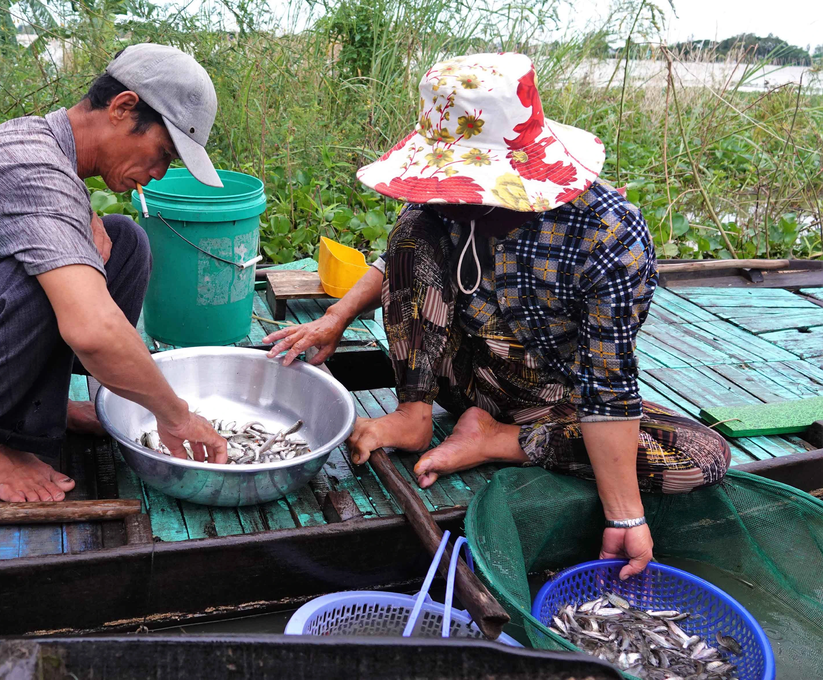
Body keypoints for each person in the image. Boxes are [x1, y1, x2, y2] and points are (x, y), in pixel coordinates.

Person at [264, 53, 730, 579]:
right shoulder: (439, 210)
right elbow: (396, 264)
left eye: (464, 188)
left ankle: (494, 440)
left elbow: (607, 382)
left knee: (702, 456)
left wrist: (625, 515)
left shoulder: (608, 236)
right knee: (412, 229)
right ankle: (414, 413)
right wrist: (337, 316)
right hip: (459, 373)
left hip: (552, 406)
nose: (445, 200)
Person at [0, 44, 228, 503]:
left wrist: (83, 210)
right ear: (122, 107)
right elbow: (92, 331)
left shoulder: (35, 138)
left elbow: (39, 205)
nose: (159, 173)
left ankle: (40, 405)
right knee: (49, 274)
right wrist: (177, 416)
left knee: (123, 240)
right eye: (163, 153)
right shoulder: (33, 171)